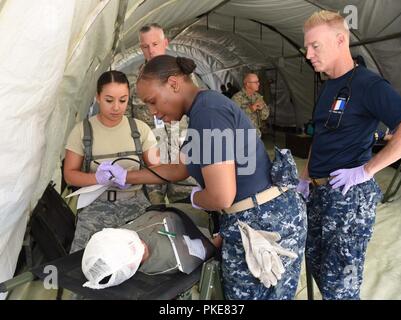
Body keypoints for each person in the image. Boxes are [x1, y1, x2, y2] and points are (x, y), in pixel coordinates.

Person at [97, 55, 307, 300]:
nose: (154, 112)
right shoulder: (201, 112)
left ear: (174, 84)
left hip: (265, 222)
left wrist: (197, 198)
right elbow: (179, 169)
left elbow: (221, 196)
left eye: (153, 102)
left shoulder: (208, 113)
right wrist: (126, 175)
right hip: (254, 216)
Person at [297, 10, 401, 300]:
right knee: (318, 267)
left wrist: (367, 171)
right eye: (306, 47)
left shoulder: (368, 84)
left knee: (341, 287)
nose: (308, 54)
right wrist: (306, 178)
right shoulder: (329, 85)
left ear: (340, 39)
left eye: (314, 46)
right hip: (320, 195)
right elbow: (320, 136)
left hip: (348, 198)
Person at [64, 70, 160, 253]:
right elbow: (70, 174)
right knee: (82, 259)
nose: (116, 107)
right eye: (109, 100)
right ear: (98, 97)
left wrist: (129, 176)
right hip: (96, 207)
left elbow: (158, 171)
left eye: (122, 100)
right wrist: (97, 179)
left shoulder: (140, 130)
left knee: (144, 256)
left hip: (135, 203)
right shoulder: (82, 131)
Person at [129, 23, 197, 203]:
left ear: (165, 42)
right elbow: (128, 122)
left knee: (186, 208)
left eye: (155, 44)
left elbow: (195, 113)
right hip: (152, 154)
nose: (151, 50)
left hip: (180, 150)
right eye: (145, 46)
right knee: (153, 208)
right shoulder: (134, 81)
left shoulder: (182, 75)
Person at [81, 205, 218, 289]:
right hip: (203, 220)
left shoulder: (119, 236)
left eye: (126, 240)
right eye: (132, 250)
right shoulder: (171, 257)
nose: (138, 244)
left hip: (178, 207)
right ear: (128, 268)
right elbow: (211, 246)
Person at [232, 73, 270, 138]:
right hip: (242, 134)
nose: (259, 84)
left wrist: (262, 109)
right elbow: (233, 116)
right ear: (247, 84)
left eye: (258, 81)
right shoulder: (237, 98)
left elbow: (265, 116)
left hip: (256, 134)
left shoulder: (258, 97)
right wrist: (251, 109)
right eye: (256, 82)